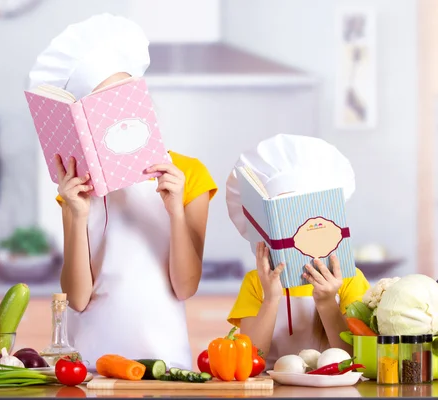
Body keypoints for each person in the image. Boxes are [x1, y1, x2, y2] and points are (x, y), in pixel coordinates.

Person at [28, 14, 217, 370]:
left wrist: (175, 211)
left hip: (166, 363)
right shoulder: (76, 188)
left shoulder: (188, 174)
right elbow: (78, 299)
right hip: (91, 366)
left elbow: (186, 287)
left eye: (122, 97)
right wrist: (77, 212)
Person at [225, 134, 370, 370]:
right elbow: (250, 363)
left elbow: (355, 360)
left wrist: (326, 302)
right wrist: (271, 298)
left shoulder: (350, 279)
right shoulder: (255, 283)